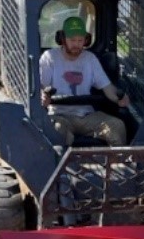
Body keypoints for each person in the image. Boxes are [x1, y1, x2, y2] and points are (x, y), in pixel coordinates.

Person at [39, 15, 130, 146]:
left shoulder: (90, 59)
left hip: (87, 115)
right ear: (62, 39)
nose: (76, 44)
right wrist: (43, 96)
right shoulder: (49, 58)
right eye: (72, 40)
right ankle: (61, 165)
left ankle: (117, 163)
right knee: (57, 130)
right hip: (59, 114)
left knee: (117, 126)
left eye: (80, 40)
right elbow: (41, 85)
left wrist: (119, 99)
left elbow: (107, 87)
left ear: (86, 40)